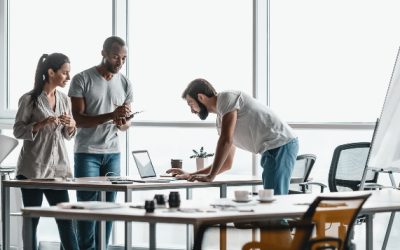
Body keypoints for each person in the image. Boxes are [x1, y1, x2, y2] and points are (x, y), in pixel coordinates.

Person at [167, 78, 299, 195]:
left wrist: (211, 176)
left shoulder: (227, 98)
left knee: (274, 207)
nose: (192, 111)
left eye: (191, 104)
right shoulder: (221, 120)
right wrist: (191, 174)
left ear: (200, 97)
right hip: (272, 149)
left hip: (280, 144)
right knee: (272, 204)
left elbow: (226, 140)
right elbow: (226, 163)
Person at [68, 36, 133, 249]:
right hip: (87, 152)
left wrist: (123, 121)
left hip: (113, 152)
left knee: (108, 210)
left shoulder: (125, 83)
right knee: (87, 210)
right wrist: (111, 115)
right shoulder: (82, 79)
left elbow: (123, 126)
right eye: (116, 56)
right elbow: (78, 119)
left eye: (123, 58)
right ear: (103, 53)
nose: (120, 62)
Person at [13, 53, 79, 250]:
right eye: (65, 73)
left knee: (66, 221)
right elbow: (18, 130)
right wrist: (40, 124)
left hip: (58, 171)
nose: (68, 77)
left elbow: (68, 135)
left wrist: (72, 125)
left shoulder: (65, 100)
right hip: (32, 170)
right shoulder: (29, 100)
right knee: (32, 222)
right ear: (51, 72)